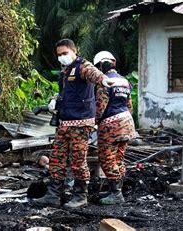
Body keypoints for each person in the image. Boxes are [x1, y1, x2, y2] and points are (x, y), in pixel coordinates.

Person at [32, 39, 127, 208]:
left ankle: (80, 196)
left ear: (74, 51)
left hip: (81, 123)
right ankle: (54, 195)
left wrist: (104, 79)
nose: (62, 57)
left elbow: (93, 73)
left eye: (64, 53)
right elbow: (66, 94)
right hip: (65, 122)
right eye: (59, 55)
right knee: (56, 159)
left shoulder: (82, 66)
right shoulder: (66, 72)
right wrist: (55, 100)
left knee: (78, 160)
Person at [93, 51, 135, 205]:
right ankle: (116, 190)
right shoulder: (124, 81)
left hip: (111, 125)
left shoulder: (104, 81)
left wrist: (93, 122)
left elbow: (100, 106)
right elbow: (129, 106)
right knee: (119, 159)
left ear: (100, 66)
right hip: (127, 123)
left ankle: (116, 194)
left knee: (107, 159)